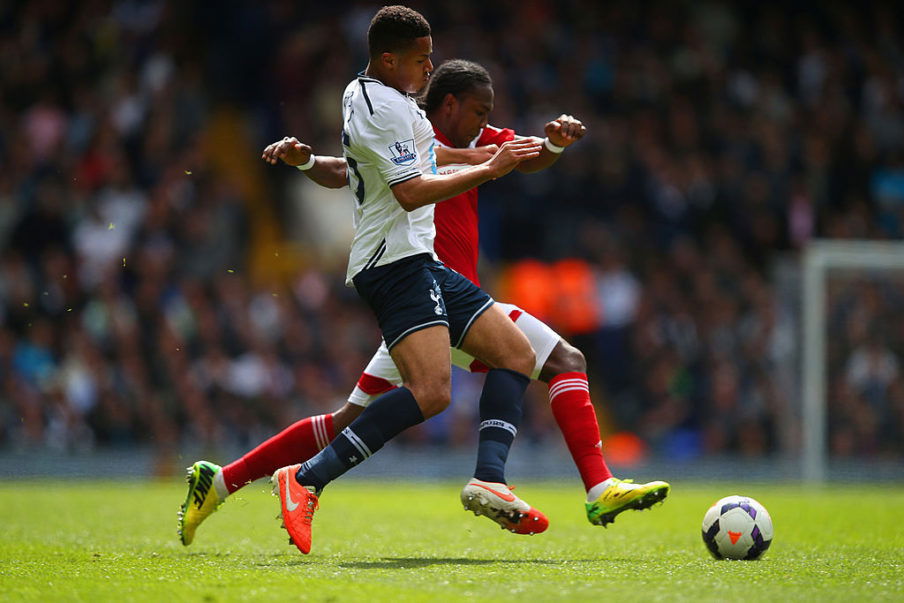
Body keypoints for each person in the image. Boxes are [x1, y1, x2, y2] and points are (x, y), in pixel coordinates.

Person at [178, 56, 670, 549]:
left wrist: (553, 146)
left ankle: (221, 482)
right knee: (557, 359)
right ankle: (555, 482)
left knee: (348, 421)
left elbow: (524, 154)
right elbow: (353, 171)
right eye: (479, 112)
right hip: (425, 290)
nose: (485, 123)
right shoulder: (404, 133)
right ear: (450, 104)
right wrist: (308, 163)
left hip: (431, 301)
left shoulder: (472, 138)